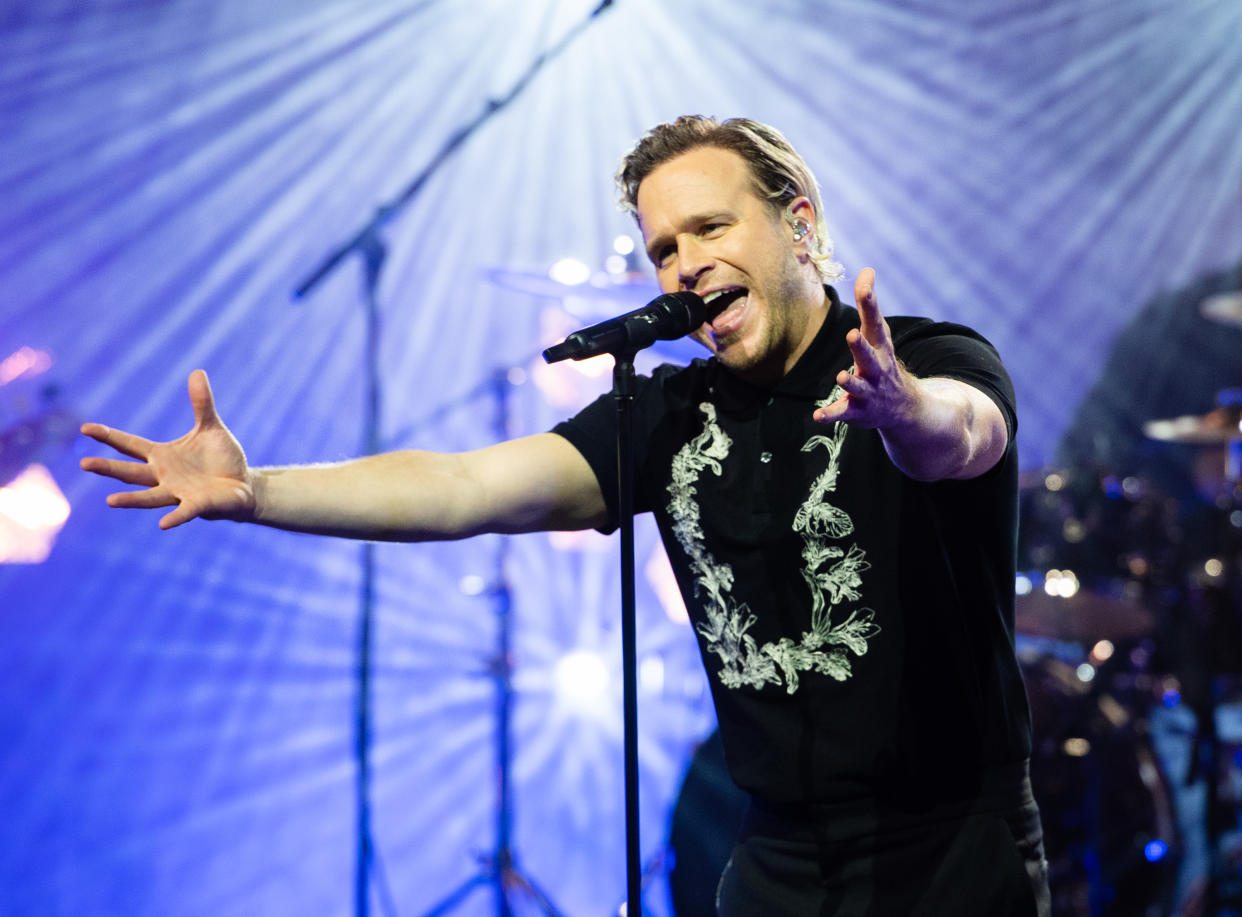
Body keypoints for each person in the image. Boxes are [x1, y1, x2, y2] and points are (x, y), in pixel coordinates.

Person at [82, 115, 1049, 915]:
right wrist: (260, 493)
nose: (685, 265)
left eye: (711, 229)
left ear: (799, 224)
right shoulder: (671, 412)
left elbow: (965, 437)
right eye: (664, 248)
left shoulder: (923, 356)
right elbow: (462, 487)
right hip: (779, 859)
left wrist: (905, 408)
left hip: (952, 851)